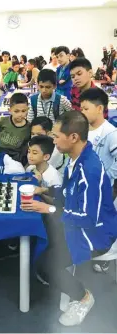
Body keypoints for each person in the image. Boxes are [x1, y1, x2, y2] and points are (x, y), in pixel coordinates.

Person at [21, 111, 117, 327]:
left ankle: (83, 298)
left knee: (48, 264)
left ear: (73, 137)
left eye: (56, 136)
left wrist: (46, 207)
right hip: (78, 223)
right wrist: (44, 189)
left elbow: (87, 218)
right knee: (44, 233)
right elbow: (67, 193)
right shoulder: (75, 160)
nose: (53, 141)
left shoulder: (89, 170)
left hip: (96, 235)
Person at [80, 87, 117, 272]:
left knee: (102, 223)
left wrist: (108, 178)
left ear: (100, 108)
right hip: (86, 185)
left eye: (86, 108)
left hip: (104, 188)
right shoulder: (84, 130)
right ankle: (91, 249)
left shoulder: (110, 132)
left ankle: (106, 255)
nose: (82, 112)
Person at [0, 93, 31, 164]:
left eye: (23, 111)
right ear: (10, 110)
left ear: (27, 109)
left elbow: (25, 146)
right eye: (16, 111)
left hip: (15, 158)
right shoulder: (3, 121)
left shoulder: (29, 128)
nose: (20, 114)